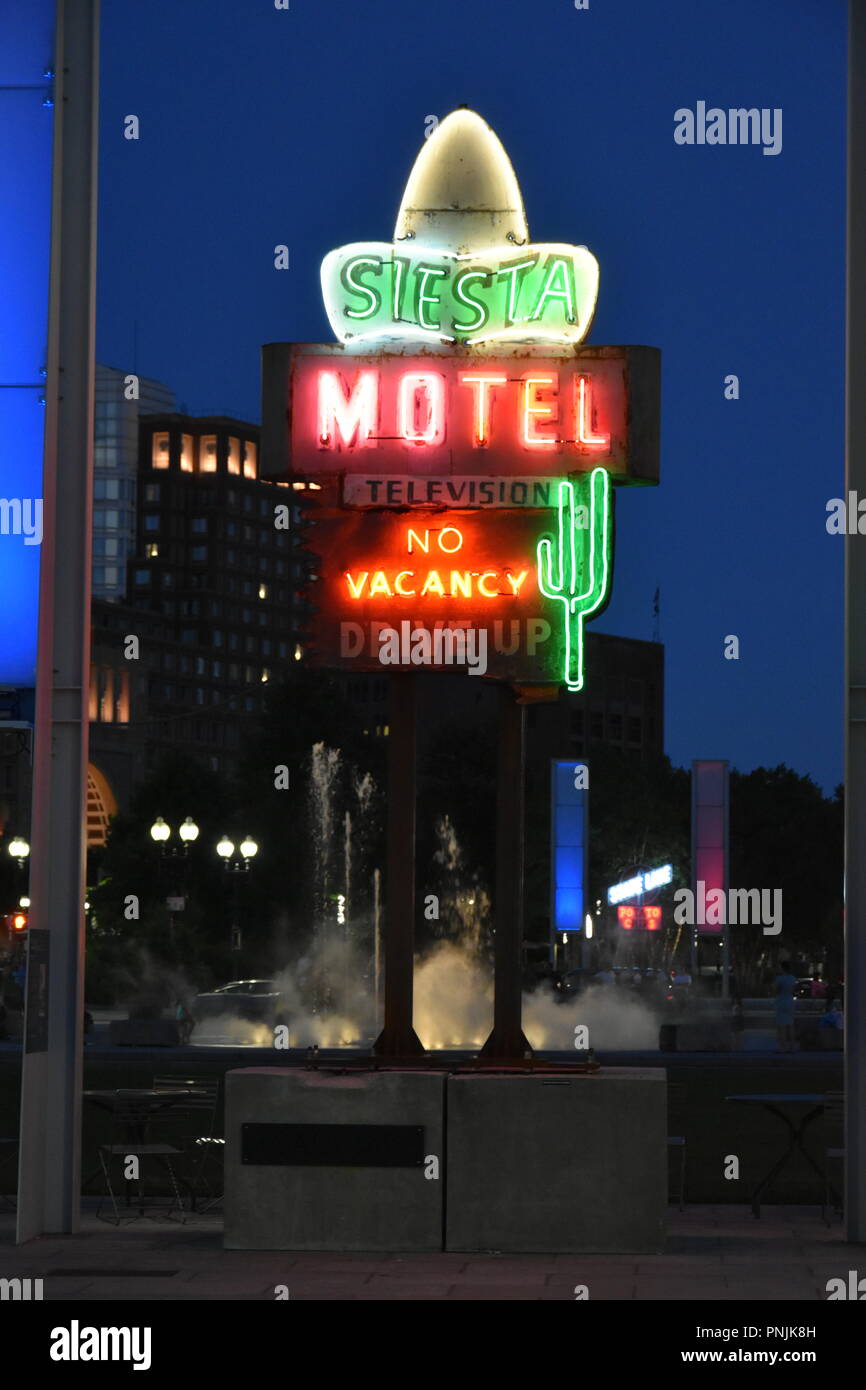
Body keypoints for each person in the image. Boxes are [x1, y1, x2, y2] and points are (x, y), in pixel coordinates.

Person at [774, 959, 798, 1052]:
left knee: (782, 1025)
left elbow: (777, 990)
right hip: (790, 1001)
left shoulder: (779, 979)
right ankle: (792, 1046)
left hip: (782, 1001)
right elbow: (794, 990)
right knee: (791, 1024)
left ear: (782, 968)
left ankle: (783, 1047)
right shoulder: (792, 978)